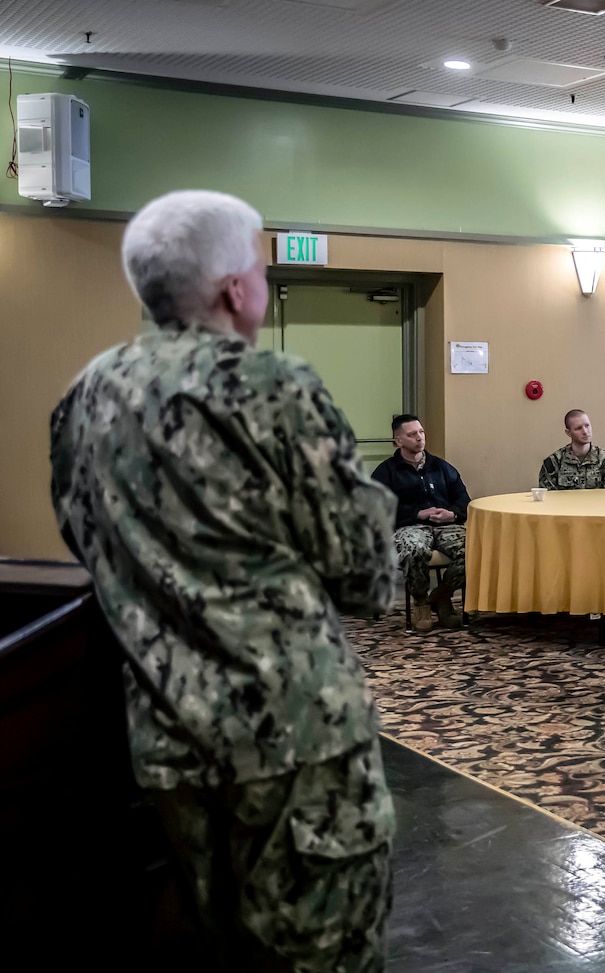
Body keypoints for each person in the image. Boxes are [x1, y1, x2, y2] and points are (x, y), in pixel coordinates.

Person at [49, 190, 396, 971]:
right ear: (236, 289)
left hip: (166, 736)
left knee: (216, 947)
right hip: (293, 733)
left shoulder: (86, 393)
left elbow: (84, 536)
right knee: (323, 952)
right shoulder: (271, 383)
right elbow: (365, 572)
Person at [371, 414, 472, 632]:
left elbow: (464, 500)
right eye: (412, 434)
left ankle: (441, 596)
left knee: (475, 549)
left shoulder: (442, 467)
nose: (420, 438)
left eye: (421, 432)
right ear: (398, 441)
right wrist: (418, 514)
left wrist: (452, 515)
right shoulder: (386, 472)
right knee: (413, 549)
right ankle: (421, 602)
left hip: (446, 526)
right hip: (409, 526)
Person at [538, 409, 605, 490]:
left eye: (587, 426)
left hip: (598, 506)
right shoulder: (555, 462)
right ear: (568, 433)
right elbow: (549, 497)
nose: (585, 431)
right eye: (578, 428)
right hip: (566, 506)